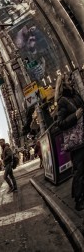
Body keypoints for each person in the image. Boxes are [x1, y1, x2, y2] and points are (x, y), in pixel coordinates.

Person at [54, 74, 84, 210]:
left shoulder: (76, 94)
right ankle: (79, 200)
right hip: (76, 141)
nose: (70, 79)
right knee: (79, 170)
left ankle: (78, 194)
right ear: (63, 84)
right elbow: (59, 123)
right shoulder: (62, 101)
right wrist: (74, 116)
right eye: (68, 79)